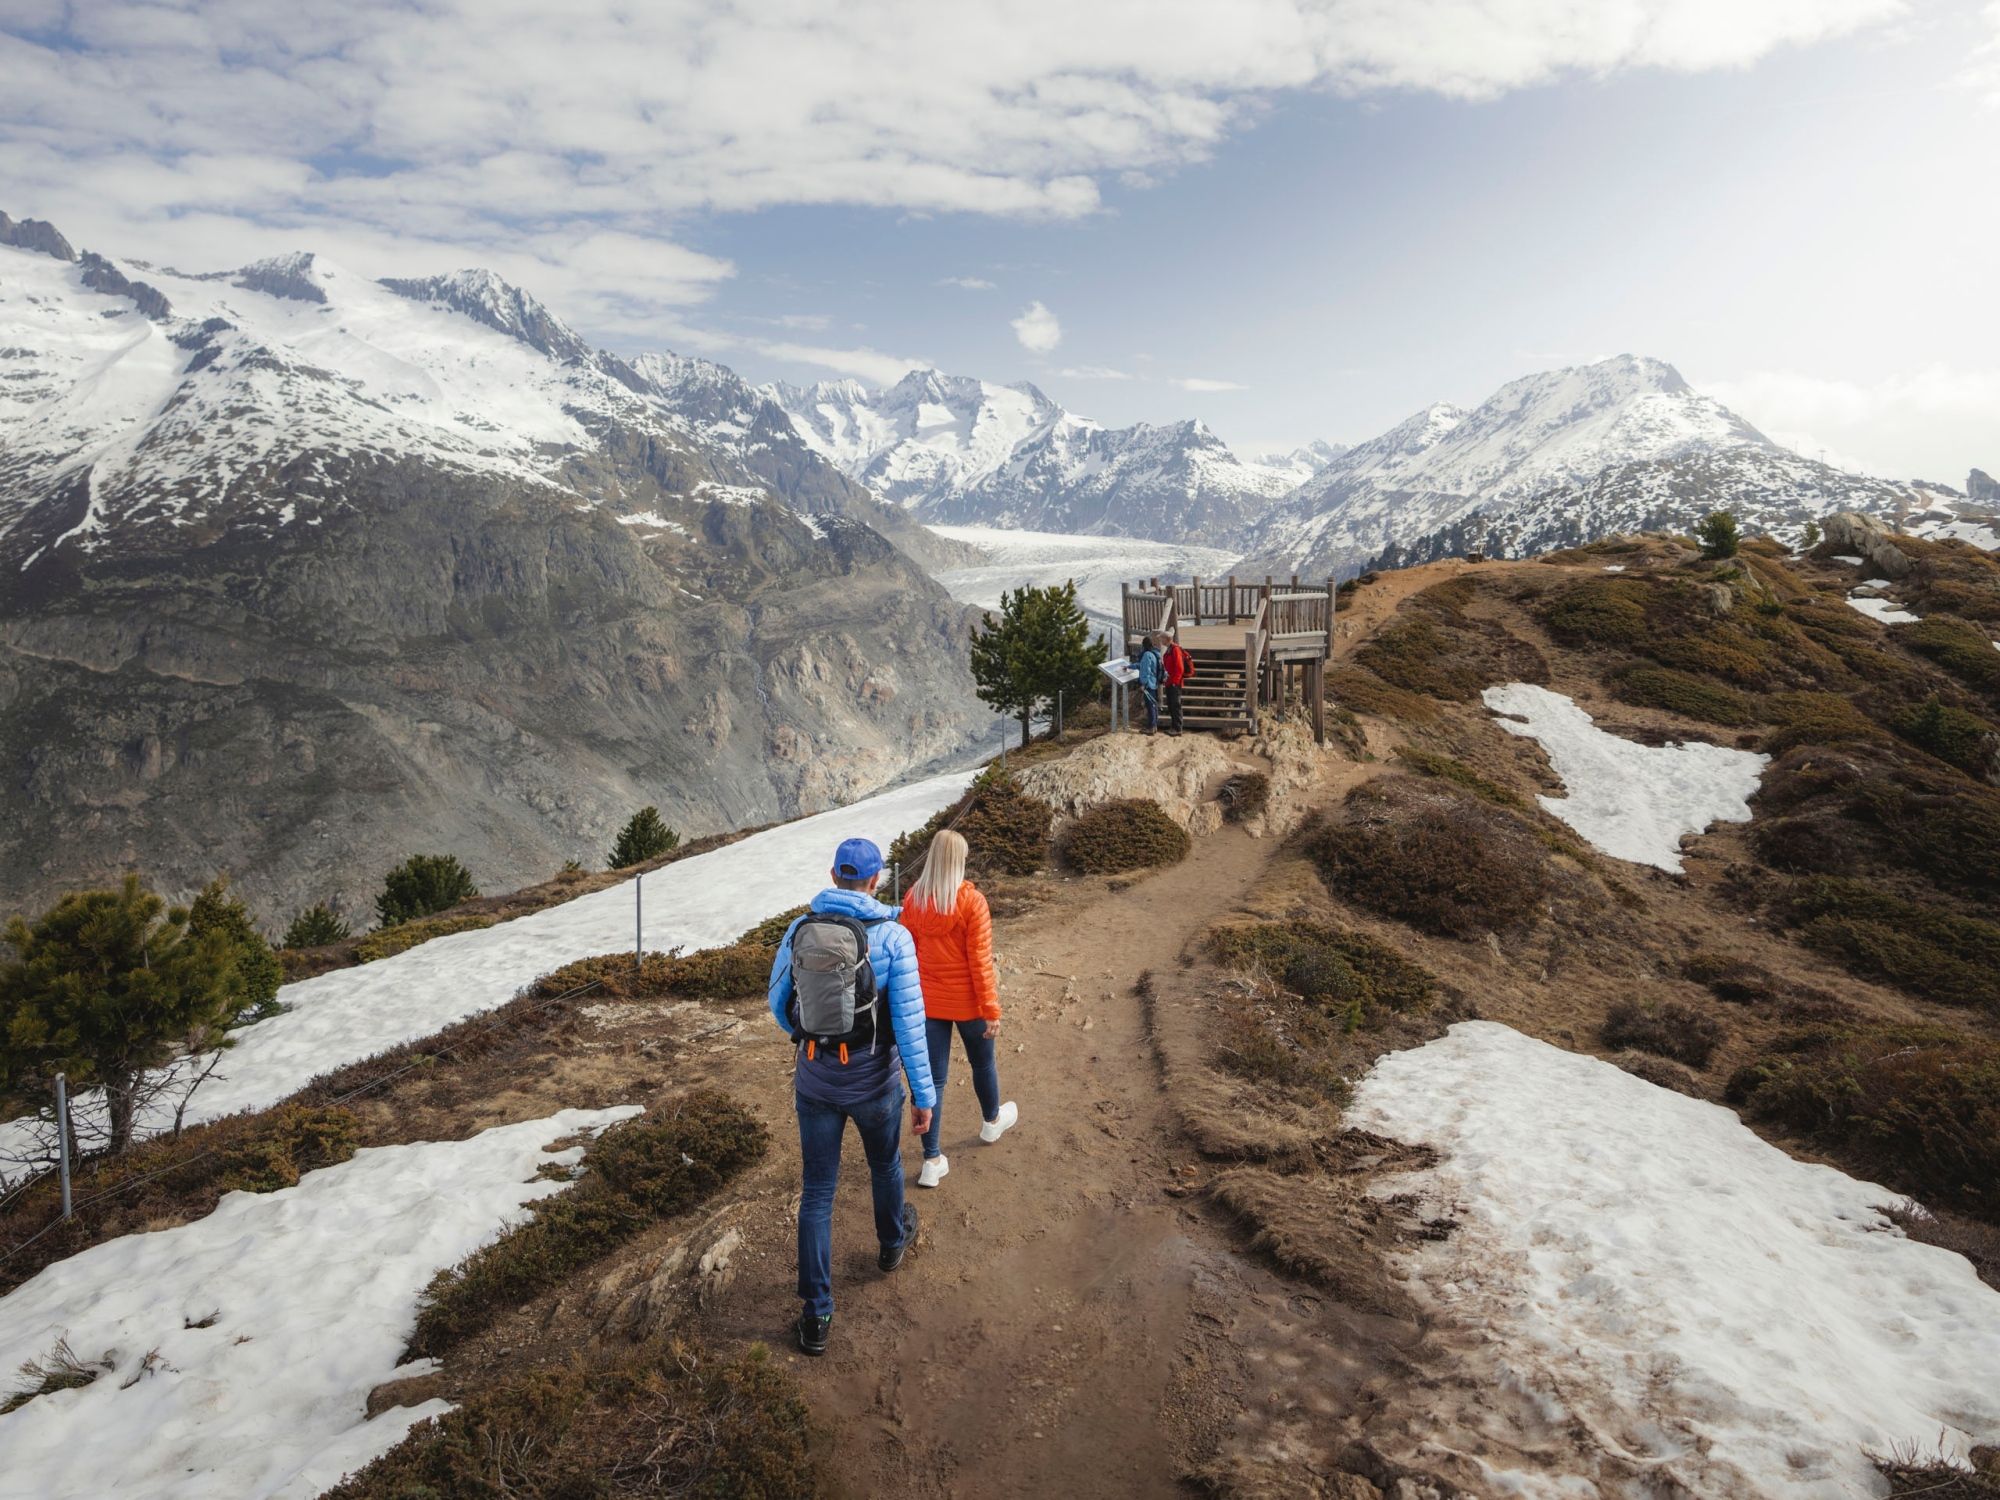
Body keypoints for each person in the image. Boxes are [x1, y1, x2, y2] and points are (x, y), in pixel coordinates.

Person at [768, 836, 937, 1358]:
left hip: (815, 1081)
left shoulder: (800, 929)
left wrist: (813, 1042)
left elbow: (778, 1004)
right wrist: (923, 1095)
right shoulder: (893, 938)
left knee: (818, 1191)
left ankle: (816, 1314)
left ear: (833, 875)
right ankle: (890, 1246)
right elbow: (910, 1027)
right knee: (885, 1165)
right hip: (873, 1083)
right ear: (875, 880)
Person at [897, 829, 1017, 1188]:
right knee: (983, 1064)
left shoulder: (913, 900)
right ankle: (991, 1123)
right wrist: (991, 1009)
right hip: (969, 1005)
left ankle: (932, 1161)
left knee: (932, 1081)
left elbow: (908, 957)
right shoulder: (972, 902)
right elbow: (980, 962)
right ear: (958, 861)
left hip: (928, 1004)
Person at [1161, 631, 1193, 737]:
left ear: (1168, 639)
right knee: (1171, 705)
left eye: (1162, 638)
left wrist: (1174, 682)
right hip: (1170, 682)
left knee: (1175, 705)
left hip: (1175, 683)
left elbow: (1179, 668)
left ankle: (1178, 728)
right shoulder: (1170, 649)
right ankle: (1174, 727)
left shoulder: (1175, 650)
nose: (1161, 640)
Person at [1134, 632, 1164, 734]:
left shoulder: (1146, 655)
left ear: (1144, 645)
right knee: (1153, 705)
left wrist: (1143, 684)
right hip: (1154, 683)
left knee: (1150, 705)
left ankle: (1151, 727)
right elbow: (1142, 666)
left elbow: (1145, 671)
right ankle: (1154, 726)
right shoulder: (1155, 654)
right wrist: (1130, 666)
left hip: (1148, 684)